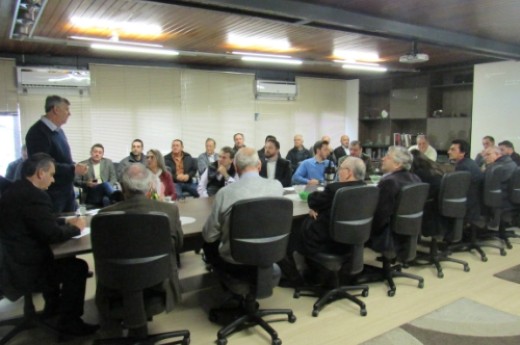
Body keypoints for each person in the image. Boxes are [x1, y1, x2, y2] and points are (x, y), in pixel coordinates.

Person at [0, 153, 97, 336]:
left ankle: (53, 309)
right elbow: (51, 234)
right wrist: (76, 228)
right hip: (26, 269)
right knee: (77, 267)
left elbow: (38, 220)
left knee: (64, 262)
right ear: (40, 173)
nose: (53, 180)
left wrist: (65, 222)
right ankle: (70, 324)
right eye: (51, 175)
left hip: (11, 262)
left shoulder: (14, 190)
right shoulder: (35, 197)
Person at [96, 163, 183, 337]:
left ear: (122, 187)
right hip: (159, 284)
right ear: (151, 185)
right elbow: (179, 246)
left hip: (115, 287)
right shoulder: (169, 211)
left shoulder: (103, 216)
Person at [202, 147, 284, 275]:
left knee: (208, 244)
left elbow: (209, 236)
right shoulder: (277, 186)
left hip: (235, 263)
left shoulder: (225, 193)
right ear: (259, 165)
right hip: (269, 255)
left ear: (235, 166)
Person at [25, 95, 88, 212]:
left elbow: (62, 159)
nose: (69, 113)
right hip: (52, 193)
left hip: (66, 190)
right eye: (66, 109)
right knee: (56, 226)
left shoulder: (59, 131)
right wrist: (72, 169)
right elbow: (43, 165)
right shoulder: (38, 132)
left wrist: (75, 166)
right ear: (56, 109)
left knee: (71, 225)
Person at [370, 146, 421, 252]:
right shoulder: (416, 178)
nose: (382, 159)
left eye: (387, 157)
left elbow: (381, 215)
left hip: (388, 236)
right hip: (407, 232)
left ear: (398, 164)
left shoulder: (389, 182)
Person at [448, 139, 483, 222]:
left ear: (462, 153)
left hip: (468, 204)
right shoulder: (470, 162)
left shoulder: (462, 167)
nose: (449, 152)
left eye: (453, 149)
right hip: (475, 203)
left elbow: (456, 190)